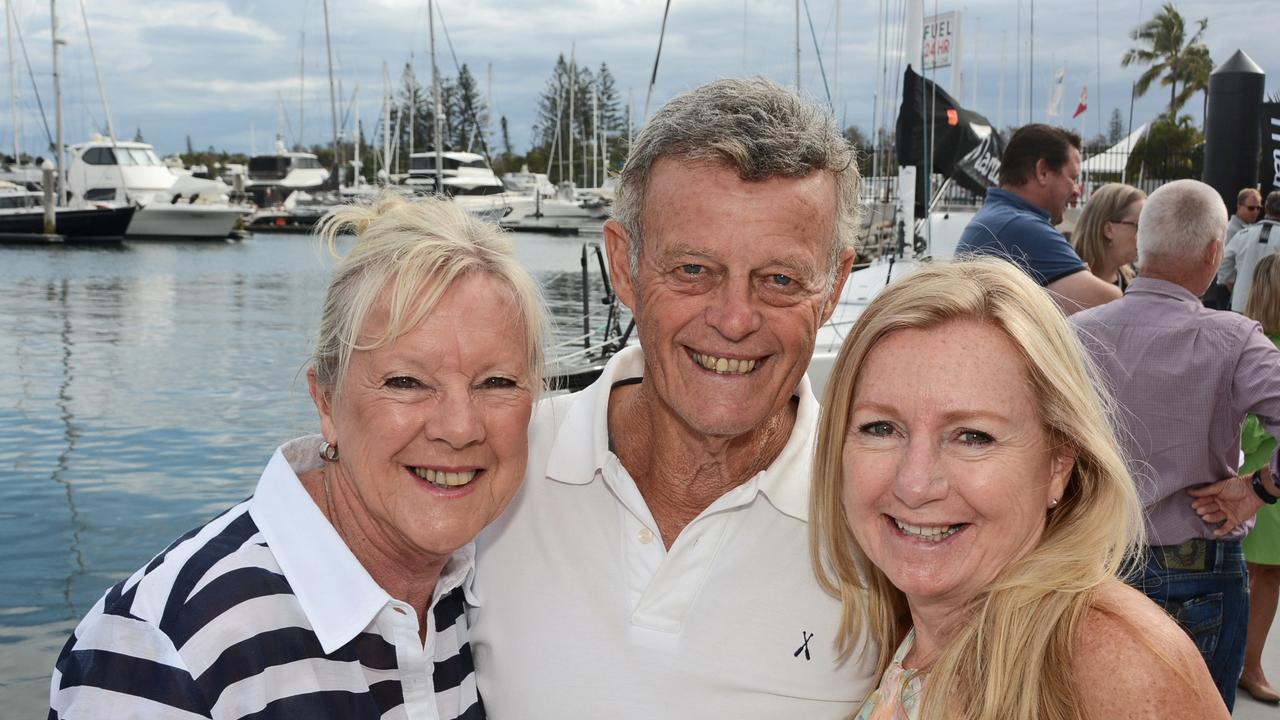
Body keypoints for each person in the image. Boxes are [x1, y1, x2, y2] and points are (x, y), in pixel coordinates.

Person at [49, 192, 547, 719]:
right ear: (326, 400)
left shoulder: (476, 595)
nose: (460, 427)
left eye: (497, 382)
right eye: (406, 382)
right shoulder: (164, 651)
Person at [469, 77, 876, 718]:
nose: (735, 318)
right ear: (624, 267)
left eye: (779, 279)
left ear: (832, 288)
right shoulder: (498, 463)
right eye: (693, 270)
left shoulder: (886, 513)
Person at [809, 258, 1226, 719]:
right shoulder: (909, 628)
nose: (914, 483)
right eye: (881, 428)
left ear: (1057, 463)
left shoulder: (1113, 663)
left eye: (973, 437)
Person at [1071, 179, 1280, 711]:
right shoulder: (1234, 340)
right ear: (1216, 252)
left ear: (1143, 245)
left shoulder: (1075, 334)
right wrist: (1260, 486)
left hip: (1087, 561)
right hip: (1198, 569)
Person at [956, 123, 1121, 314]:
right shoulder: (1022, 228)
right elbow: (1112, 306)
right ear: (1042, 171)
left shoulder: (998, 217)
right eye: (1073, 178)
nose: (1077, 190)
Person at [1240, 253, 1280, 703]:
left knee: (1266, 574)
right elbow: (1248, 430)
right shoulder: (1260, 347)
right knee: (1260, 573)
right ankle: (1248, 665)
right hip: (1261, 478)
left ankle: (1248, 663)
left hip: (1265, 477)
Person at [1071, 182, 1147, 290]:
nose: (1145, 234)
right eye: (1139, 225)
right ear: (1108, 229)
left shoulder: (1135, 283)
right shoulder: (1068, 278)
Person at [1218, 189, 1280, 312]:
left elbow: (1223, 263)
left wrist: (1235, 286)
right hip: (1273, 312)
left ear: (1265, 209)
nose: (1255, 211)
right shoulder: (1240, 232)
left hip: (1241, 305)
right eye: (1252, 208)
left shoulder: (1243, 234)